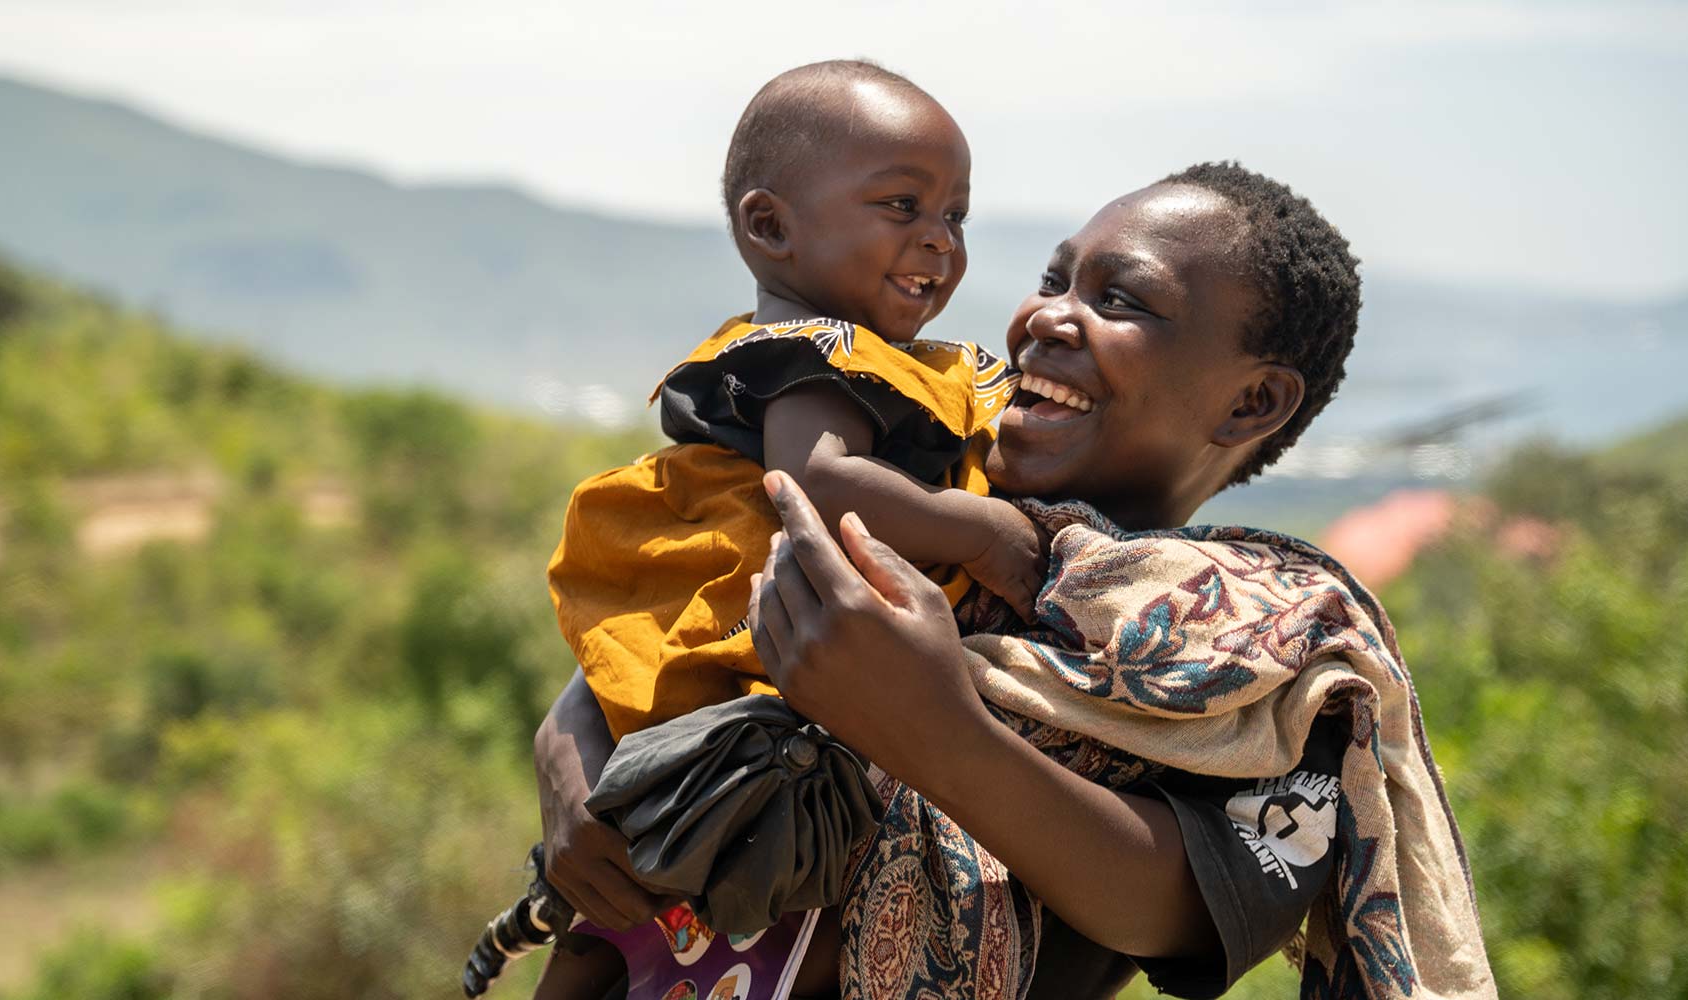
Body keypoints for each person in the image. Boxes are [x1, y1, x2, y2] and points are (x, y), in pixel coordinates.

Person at [535, 164, 1495, 999]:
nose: (1045, 317)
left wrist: (932, 725)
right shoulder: (909, 466)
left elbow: (1169, 906)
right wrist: (570, 751)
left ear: (1253, 401)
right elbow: (682, 602)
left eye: (1120, 301)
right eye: (1053, 279)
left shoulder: (1269, 656)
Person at [547, 58, 1039, 745]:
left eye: (955, 214)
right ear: (772, 227)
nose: (941, 238)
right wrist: (979, 530)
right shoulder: (813, 353)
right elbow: (816, 484)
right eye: (903, 205)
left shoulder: (823, 346)